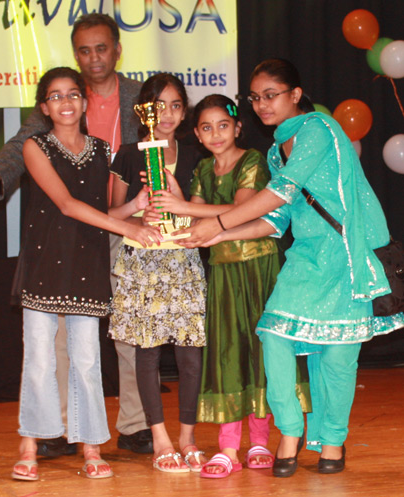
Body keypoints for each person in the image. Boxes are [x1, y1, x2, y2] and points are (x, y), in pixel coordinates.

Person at [174, 59, 404, 477]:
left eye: (271, 95)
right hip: (305, 258)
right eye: (255, 98)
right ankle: (291, 433)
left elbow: (283, 192)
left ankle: (332, 442)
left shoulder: (318, 128)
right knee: (274, 334)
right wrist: (216, 237)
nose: (262, 105)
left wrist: (218, 221)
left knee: (336, 358)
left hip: (346, 256)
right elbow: (276, 220)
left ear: (294, 95)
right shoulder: (277, 150)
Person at [0, 13, 154, 456]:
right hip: (74, 233)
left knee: (130, 331)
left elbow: (158, 143)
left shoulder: (136, 98)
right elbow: (20, 147)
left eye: (101, 48)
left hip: (125, 223)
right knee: (64, 345)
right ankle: (65, 430)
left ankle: (135, 424)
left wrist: (147, 206)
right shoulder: (51, 110)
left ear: (117, 50)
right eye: (84, 50)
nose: (94, 58)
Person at [11, 66, 161, 481]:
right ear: (44, 106)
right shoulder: (34, 147)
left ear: (85, 100)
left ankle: (91, 447)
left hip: (87, 264)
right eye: (55, 96)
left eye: (73, 94)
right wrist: (131, 228)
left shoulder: (100, 150)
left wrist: (133, 207)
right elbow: (65, 204)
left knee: (88, 360)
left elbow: (98, 215)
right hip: (45, 265)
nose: (65, 102)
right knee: (39, 358)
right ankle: (30, 446)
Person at [151, 94, 310, 478]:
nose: (216, 133)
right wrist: (169, 210)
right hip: (222, 274)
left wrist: (183, 206)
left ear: (238, 127)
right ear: (197, 134)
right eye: (206, 127)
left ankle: (259, 440)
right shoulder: (204, 170)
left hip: (259, 271)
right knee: (227, 354)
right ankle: (227, 447)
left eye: (224, 125)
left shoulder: (253, 161)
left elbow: (238, 211)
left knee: (260, 353)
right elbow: (195, 221)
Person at [108, 73, 207, 473]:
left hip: (183, 259)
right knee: (145, 356)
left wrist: (178, 200)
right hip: (141, 261)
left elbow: (209, 212)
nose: (166, 114)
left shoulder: (198, 154)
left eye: (175, 105)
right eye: (158, 105)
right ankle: (160, 440)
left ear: (185, 111)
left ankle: (187, 437)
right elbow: (111, 216)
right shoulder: (129, 154)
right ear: (143, 110)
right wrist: (136, 204)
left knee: (190, 356)